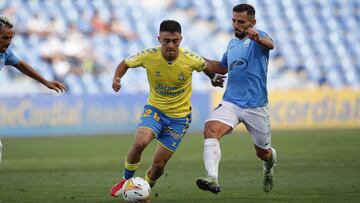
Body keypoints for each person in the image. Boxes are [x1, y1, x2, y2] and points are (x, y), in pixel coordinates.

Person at [110, 19, 225, 197]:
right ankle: (126, 180)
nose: (171, 45)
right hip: (155, 110)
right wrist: (117, 78)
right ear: (159, 39)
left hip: (179, 119)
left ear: (181, 39)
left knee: (159, 165)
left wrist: (213, 77)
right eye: (166, 41)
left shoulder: (191, 58)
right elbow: (125, 63)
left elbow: (205, 66)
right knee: (140, 142)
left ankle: (143, 190)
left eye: (175, 41)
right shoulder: (148, 55)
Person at [195, 4, 276, 194]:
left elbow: (270, 44)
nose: (236, 25)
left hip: (255, 106)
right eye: (234, 21)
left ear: (252, 23)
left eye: (241, 22)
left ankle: (269, 166)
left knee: (263, 153)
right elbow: (222, 67)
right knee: (210, 130)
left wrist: (258, 38)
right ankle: (212, 178)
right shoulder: (232, 44)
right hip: (231, 102)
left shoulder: (259, 37)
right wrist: (197, 59)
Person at [0, 16, 67, 164]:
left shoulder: (5, 53)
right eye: (5, 37)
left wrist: (45, 82)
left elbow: (21, 64)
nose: (9, 41)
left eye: (11, 37)